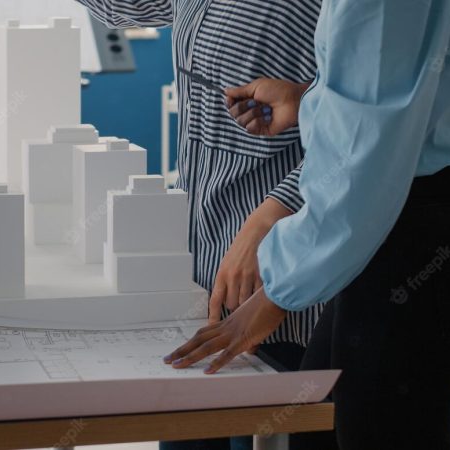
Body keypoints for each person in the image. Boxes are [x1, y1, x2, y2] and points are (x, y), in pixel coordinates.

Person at [165, 1, 450, 449]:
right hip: (406, 242)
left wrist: (276, 291)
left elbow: (363, 164)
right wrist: (308, 98)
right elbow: (397, 98)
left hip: (409, 250)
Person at [74, 1, 325, 449]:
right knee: (187, 437)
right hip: (203, 278)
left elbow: (361, 136)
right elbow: (120, 8)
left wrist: (270, 218)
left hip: (281, 286)